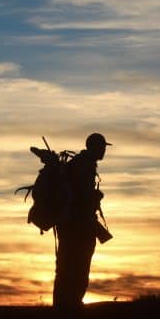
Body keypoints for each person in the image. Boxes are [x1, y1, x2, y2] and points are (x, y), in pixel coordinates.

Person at [53, 133, 112, 310]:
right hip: (78, 227)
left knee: (67, 266)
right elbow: (81, 197)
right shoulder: (83, 166)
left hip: (72, 225)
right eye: (102, 147)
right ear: (94, 147)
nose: (103, 151)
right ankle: (70, 307)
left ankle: (66, 305)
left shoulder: (81, 164)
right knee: (76, 267)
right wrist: (95, 196)